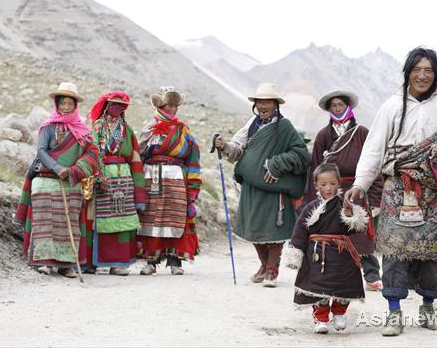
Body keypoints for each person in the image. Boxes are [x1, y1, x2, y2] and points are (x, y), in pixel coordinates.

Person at [344, 47, 437, 336]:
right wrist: (360, 184)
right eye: (417, 69)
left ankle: (428, 310)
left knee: (432, 254)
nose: (422, 75)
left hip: (432, 193)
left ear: (436, 74)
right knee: (394, 251)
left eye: (428, 70)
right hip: (397, 189)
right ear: (407, 72)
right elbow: (374, 149)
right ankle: (394, 314)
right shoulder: (392, 106)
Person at [214, 83, 310, 287]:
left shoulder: (284, 127)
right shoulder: (251, 126)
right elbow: (238, 152)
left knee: (273, 231)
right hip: (251, 186)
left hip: (273, 188)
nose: (263, 106)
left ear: (276, 104)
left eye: (267, 102)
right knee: (254, 228)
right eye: (259, 102)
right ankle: (264, 265)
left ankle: (272, 271)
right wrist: (225, 147)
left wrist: (275, 165)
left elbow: (300, 154)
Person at [14, 82, 98, 278]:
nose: (66, 107)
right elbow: (41, 152)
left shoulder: (83, 132)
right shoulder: (48, 127)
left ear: (75, 106)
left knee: (68, 224)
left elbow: (92, 154)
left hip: (71, 182)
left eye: (70, 103)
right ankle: (45, 262)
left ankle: (66, 264)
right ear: (57, 104)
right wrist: (58, 168)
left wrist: (75, 170)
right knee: (46, 222)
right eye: (63, 103)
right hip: (46, 179)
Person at [306, 89, 384, 291]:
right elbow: (315, 167)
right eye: (334, 106)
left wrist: (375, 199)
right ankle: (336, 274)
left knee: (361, 233)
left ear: (348, 107)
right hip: (332, 191)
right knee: (333, 234)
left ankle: (371, 275)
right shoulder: (323, 135)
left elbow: (374, 165)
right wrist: (316, 197)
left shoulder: (362, 133)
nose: (338, 108)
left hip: (358, 188)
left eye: (341, 104)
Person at [283, 163, 368, 334]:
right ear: (316, 185)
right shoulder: (311, 208)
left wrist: (350, 215)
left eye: (332, 183)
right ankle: (320, 318)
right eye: (323, 185)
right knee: (318, 288)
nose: (328, 188)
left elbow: (356, 229)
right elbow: (300, 231)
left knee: (343, 285)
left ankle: (339, 313)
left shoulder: (345, 206)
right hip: (317, 255)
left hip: (341, 254)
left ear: (339, 183)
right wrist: (295, 254)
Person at [136, 86, 201, 276]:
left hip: (175, 179)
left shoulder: (183, 129)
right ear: (160, 106)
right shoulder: (149, 128)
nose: (172, 109)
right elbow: (138, 155)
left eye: (175, 106)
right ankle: (151, 260)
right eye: (168, 105)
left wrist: (193, 192)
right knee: (151, 217)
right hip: (151, 178)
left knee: (175, 218)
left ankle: (175, 260)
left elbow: (193, 158)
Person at [86, 90, 146, 276]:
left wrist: (139, 194)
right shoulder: (96, 128)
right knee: (96, 219)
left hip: (124, 179)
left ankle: (118, 262)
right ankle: (92, 261)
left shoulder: (127, 130)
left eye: (121, 106)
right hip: (101, 179)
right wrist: (100, 176)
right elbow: (92, 153)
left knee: (122, 220)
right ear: (106, 105)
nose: (117, 108)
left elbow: (135, 159)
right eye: (114, 104)